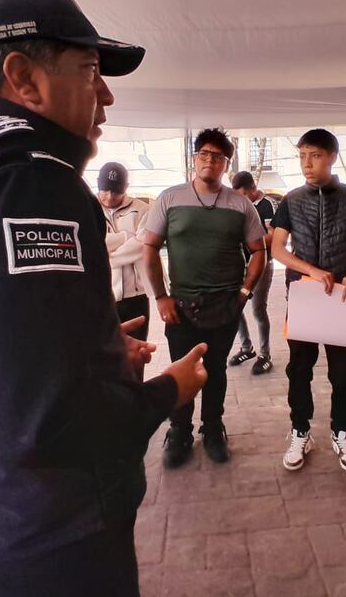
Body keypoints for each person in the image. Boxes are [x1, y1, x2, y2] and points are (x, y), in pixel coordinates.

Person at [0, 0, 208, 597]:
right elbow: (46, 422)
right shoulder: (29, 184)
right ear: (25, 78)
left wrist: (85, 343)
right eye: (90, 69)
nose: (106, 95)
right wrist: (167, 392)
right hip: (56, 535)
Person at [144, 129, 266, 467]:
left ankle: (213, 429)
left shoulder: (241, 205)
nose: (209, 160)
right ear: (194, 159)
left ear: (226, 164)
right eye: (204, 154)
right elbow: (149, 248)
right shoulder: (169, 199)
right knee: (182, 370)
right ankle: (179, 431)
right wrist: (161, 296)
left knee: (214, 370)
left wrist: (244, 292)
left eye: (217, 156)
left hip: (225, 305)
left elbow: (259, 250)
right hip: (179, 306)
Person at [271, 128, 346, 474]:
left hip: (342, 296)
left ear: (332, 156)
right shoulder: (291, 199)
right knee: (298, 369)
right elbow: (277, 249)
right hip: (303, 295)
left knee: (342, 370)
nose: (307, 163)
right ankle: (300, 430)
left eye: (315, 155)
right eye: (302, 155)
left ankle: (342, 431)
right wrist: (311, 270)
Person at [228, 170, 279, 375]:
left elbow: (272, 236)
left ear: (252, 190)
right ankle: (246, 347)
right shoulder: (237, 204)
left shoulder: (267, 205)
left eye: (243, 195)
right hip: (239, 263)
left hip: (262, 263)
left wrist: (248, 240)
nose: (241, 200)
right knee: (235, 306)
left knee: (258, 309)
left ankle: (265, 354)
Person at [98, 161, 151, 343]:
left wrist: (105, 256)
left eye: (116, 191)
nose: (110, 197)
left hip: (136, 297)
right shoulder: (88, 208)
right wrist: (125, 237)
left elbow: (142, 245)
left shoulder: (142, 209)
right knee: (106, 357)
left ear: (126, 187)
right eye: (105, 190)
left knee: (137, 355)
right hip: (103, 295)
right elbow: (92, 243)